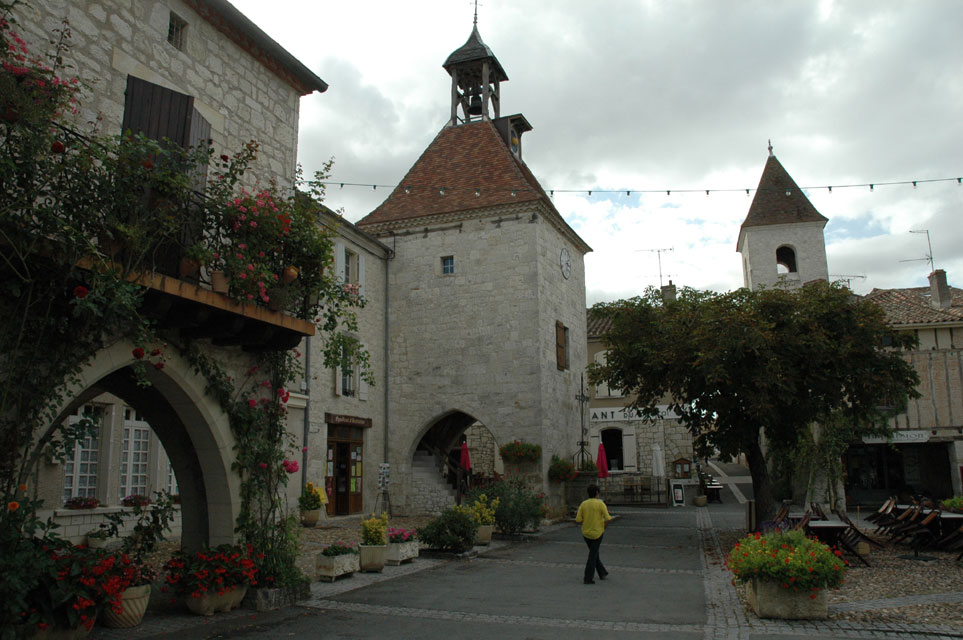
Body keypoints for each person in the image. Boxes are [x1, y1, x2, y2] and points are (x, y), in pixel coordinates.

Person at [575, 484, 612, 584]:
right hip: (598, 532)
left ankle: (602, 572)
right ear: (597, 493)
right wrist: (604, 526)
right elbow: (608, 518)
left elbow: (578, 519)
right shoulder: (600, 504)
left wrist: (586, 521)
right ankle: (588, 577)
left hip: (586, 533)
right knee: (592, 555)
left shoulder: (583, 504)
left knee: (594, 553)